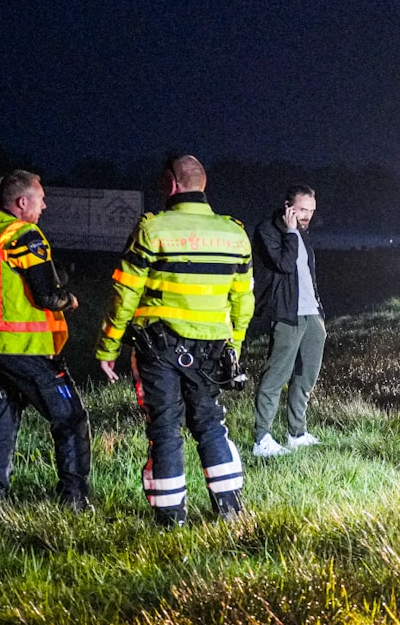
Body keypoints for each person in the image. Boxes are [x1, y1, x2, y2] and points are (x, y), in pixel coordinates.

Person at [95, 155, 255, 526]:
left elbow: (125, 294)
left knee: (165, 427)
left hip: (159, 348)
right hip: (213, 347)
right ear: (204, 183)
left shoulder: (153, 229)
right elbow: (243, 300)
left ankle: (170, 520)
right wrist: (235, 346)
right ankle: (230, 511)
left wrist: (109, 347)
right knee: (211, 423)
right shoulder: (234, 233)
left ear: (170, 184)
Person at [0, 168, 90, 511]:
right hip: (20, 348)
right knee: (70, 417)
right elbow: (46, 296)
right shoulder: (25, 235)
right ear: (22, 202)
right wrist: (69, 300)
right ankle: (75, 502)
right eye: (40, 199)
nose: (45, 206)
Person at [249, 183, 327, 457]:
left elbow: (307, 272)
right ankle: (262, 439)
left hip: (311, 312)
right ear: (287, 207)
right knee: (276, 375)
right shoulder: (267, 231)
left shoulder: (303, 234)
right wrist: (291, 231)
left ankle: (297, 432)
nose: (307, 216)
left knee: (306, 376)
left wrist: (318, 308)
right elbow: (284, 263)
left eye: (311, 211)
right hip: (286, 313)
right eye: (302, 209)